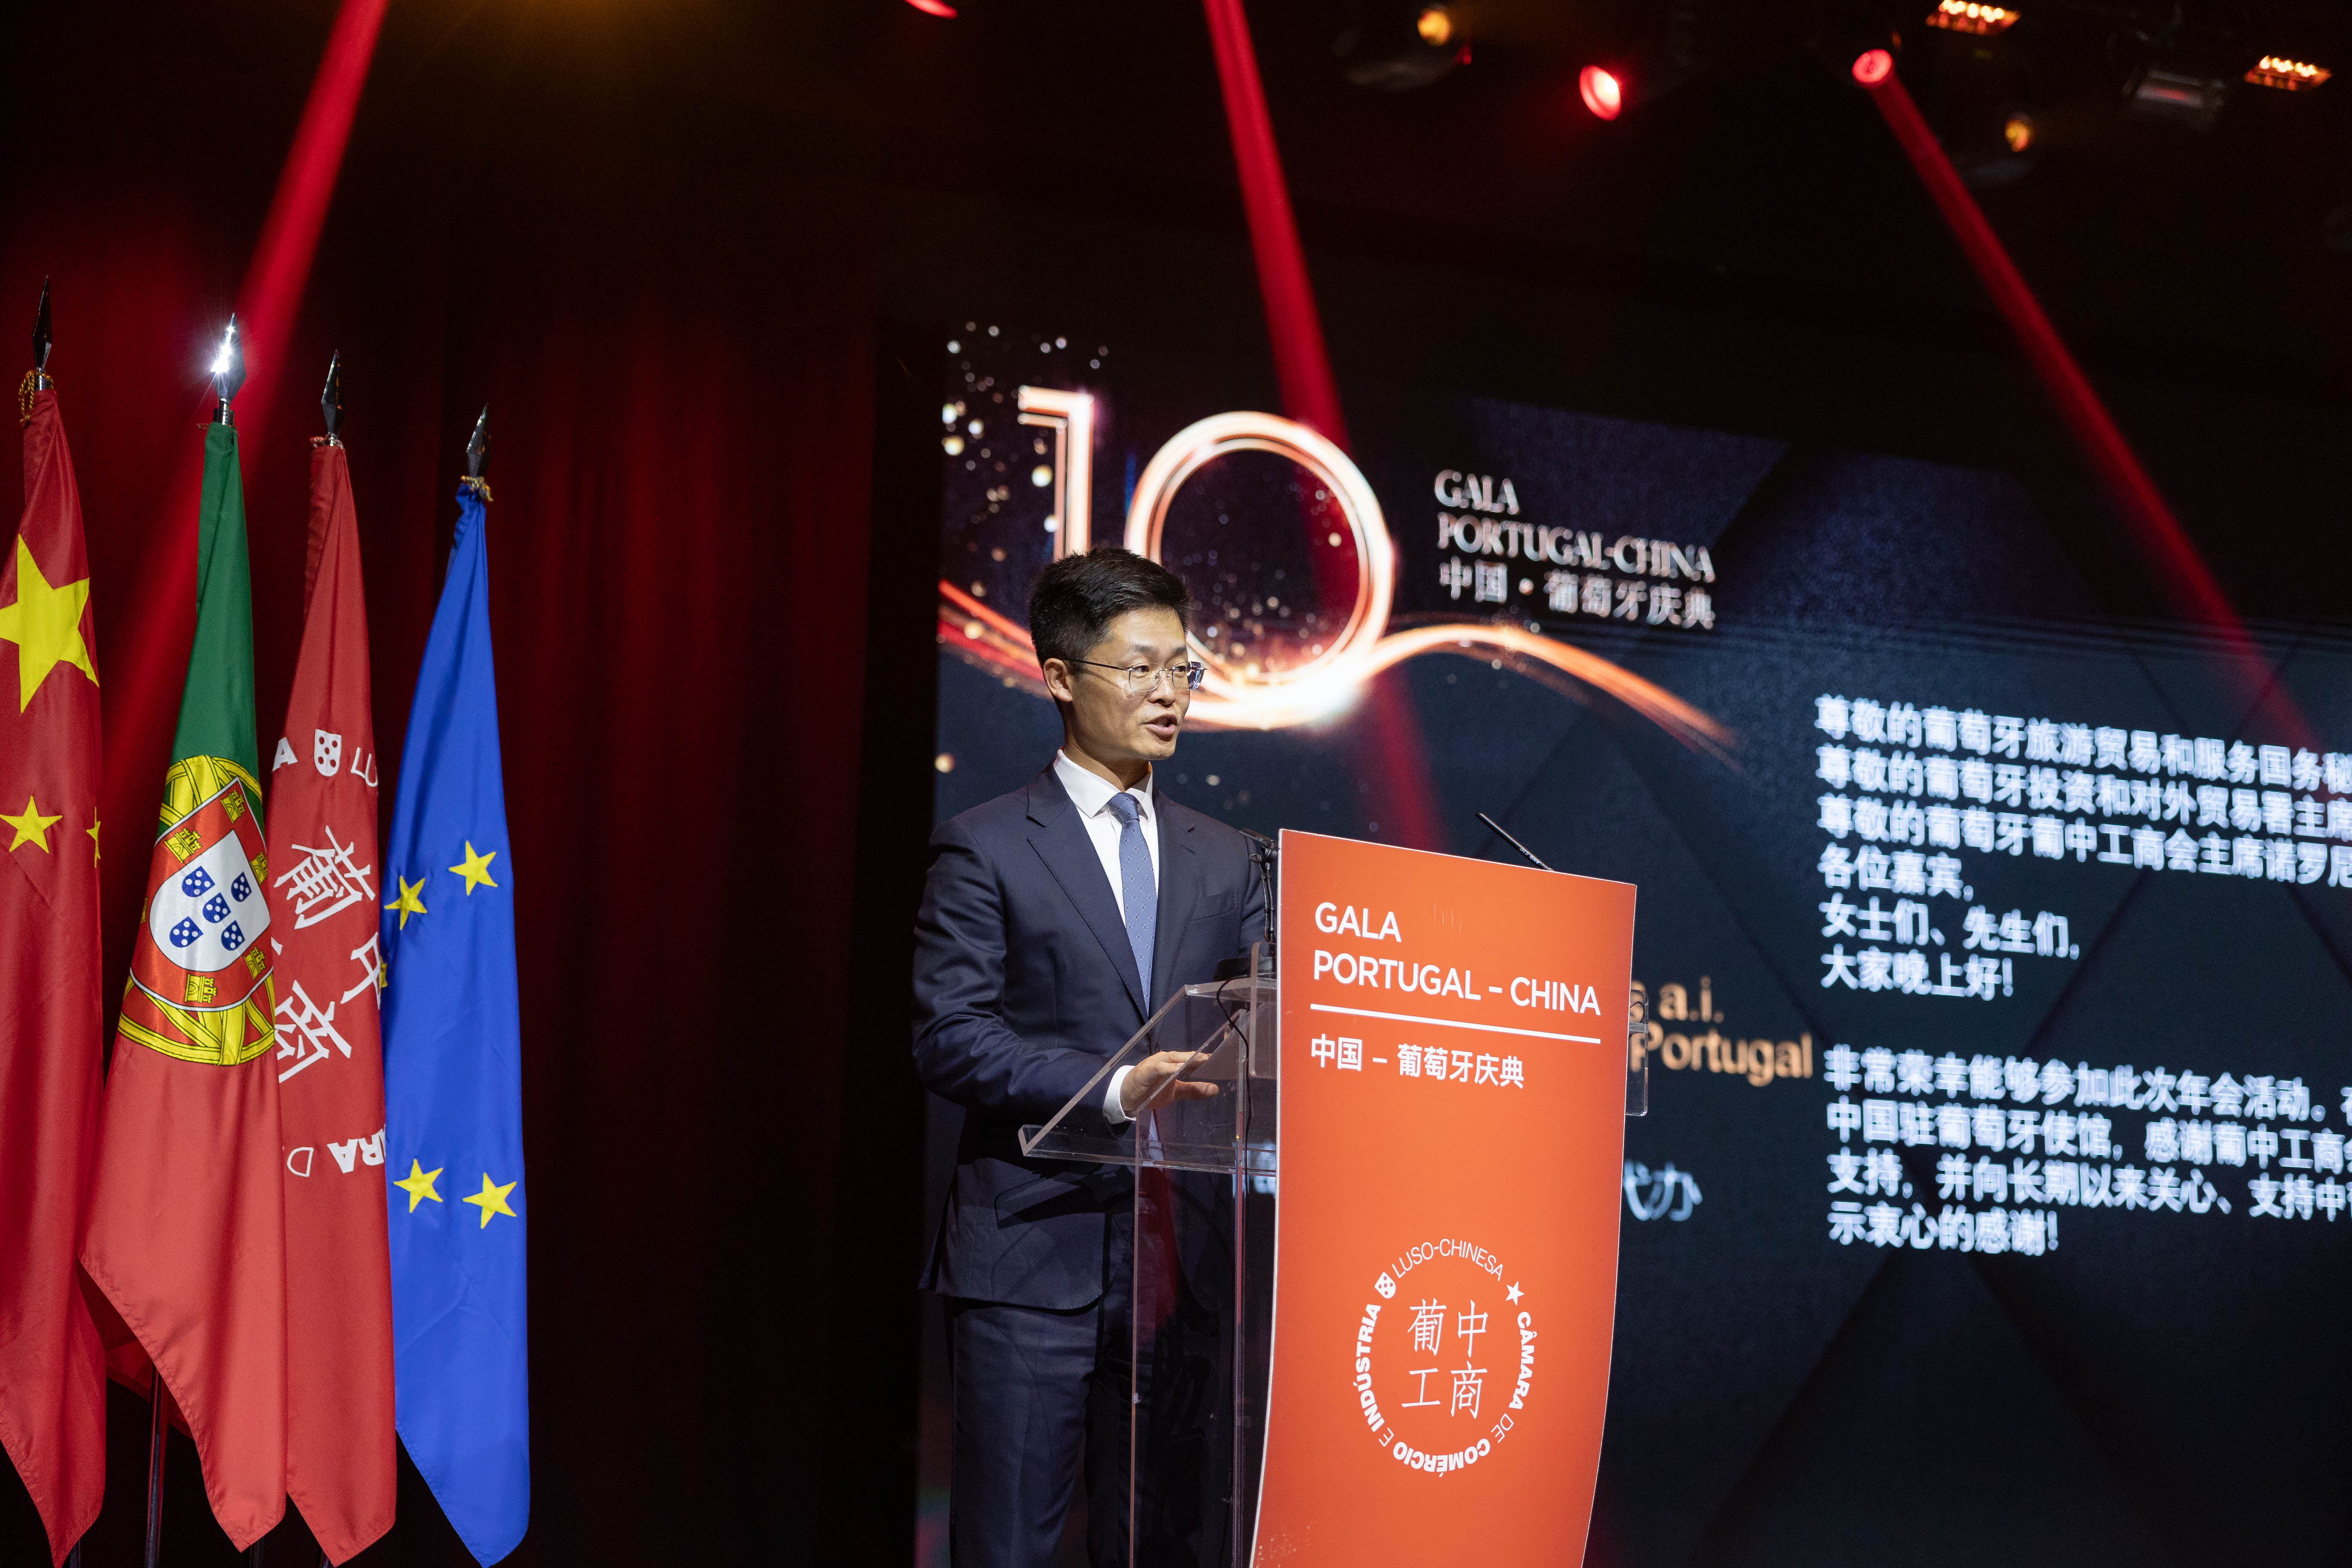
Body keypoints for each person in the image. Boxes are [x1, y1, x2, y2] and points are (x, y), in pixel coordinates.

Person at [915, 547, 1266, 1567]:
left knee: (1161, 1546)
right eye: (1140, 668)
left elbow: (1271, 1014)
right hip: (1033, 1255)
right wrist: (1112, 1089)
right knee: (1009, 1547)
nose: (1169, 694)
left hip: (1181, 1265)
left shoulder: (1228, 855)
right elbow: (949, 1032)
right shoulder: (985, 847)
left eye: (1183, 669)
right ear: (1062, 677)